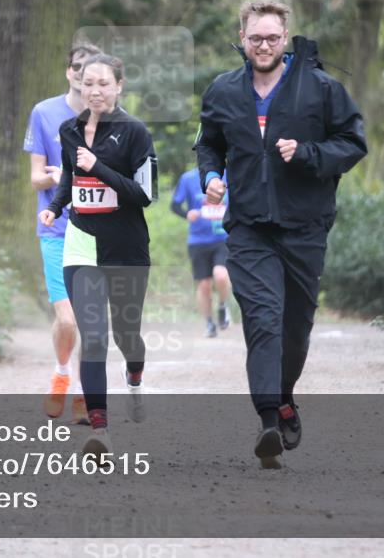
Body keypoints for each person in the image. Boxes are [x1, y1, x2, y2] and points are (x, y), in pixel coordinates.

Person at [193, 0, 367, 468]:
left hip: (305, 225)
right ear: (243, 39)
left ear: (285, 38)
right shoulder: (224, 91)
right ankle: (269, 419)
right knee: (264, 320)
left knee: (296, 329)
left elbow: (353, 143)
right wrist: (211, 176)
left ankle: (285, 397)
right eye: (255, 38)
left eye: (272, 37)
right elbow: (208, 144)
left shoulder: (321, 88)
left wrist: (309, 153)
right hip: (249, 227)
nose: (264, 45)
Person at [39, 53, 156, 457]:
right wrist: (56, 205)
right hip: (81, 242)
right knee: (93, 337)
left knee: (127, 336)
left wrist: (100, 166)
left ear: (119, 86)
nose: (95, 90)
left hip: (125, 246)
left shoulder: (135, 132)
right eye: (88, 83)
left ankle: (135, 378)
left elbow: (145, 194)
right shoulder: (68, 129)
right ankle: (100, 430)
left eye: (104, 83)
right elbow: (72, 177)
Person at [23, 42, 100, 425]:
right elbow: (36, 178)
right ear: (69, 72)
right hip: (55, 229)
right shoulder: (44, 113)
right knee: (67, 319)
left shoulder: (109, 119)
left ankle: (85, 395)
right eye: (77, 68)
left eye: (91, 71)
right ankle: (61, 371)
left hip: (97, 231)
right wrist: (56, 176)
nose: (83, 76)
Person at [170, 167, 232, 338]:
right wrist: (187, 213)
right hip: (198, 240)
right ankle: (209, 323)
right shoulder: (188, 178)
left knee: (220, 275)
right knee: (204, 285)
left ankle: (222, 305)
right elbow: (175, 205)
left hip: (223, 238)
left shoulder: (229, 174)